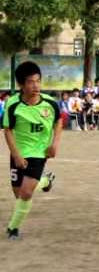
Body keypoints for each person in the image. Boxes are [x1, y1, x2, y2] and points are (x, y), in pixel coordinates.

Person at [3, 61, 61, 240]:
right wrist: (16, 155)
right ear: (21, 85)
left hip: (39, 152)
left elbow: (59, 121)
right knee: (18, 192)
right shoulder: (12, 104)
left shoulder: (50, 103)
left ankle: (13, 228)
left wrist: (54, 144)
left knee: (26, 193)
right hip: (19, 153)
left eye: (38, 81)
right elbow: (8, 130)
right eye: (30, 82)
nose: (36, 85)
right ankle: (45, 181)